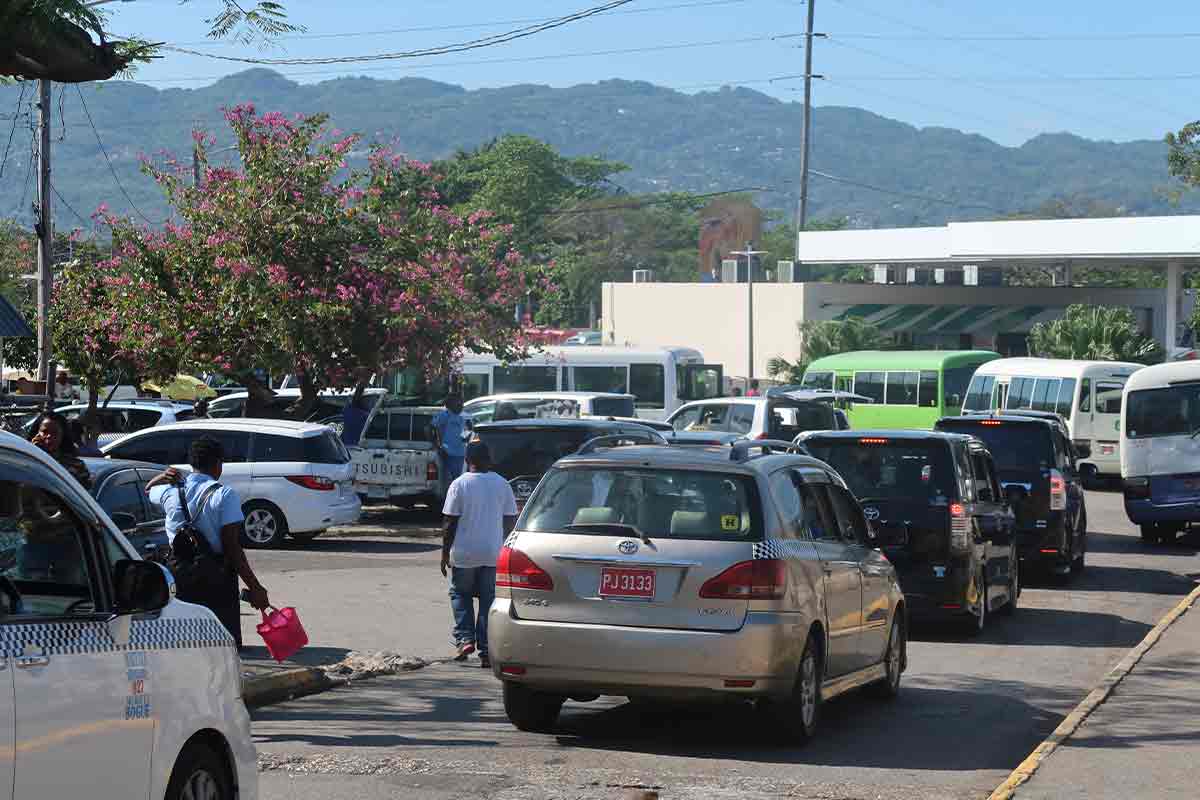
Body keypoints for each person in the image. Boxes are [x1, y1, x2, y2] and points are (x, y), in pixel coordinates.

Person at [145, 437, 269, 647]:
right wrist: (255, 587)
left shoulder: (169, 490)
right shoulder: (224, 494)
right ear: (218, 463)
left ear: (192, 463)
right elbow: (232, 548)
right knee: (221, 645)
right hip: (217, 578)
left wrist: (162, 477)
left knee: (185, 642)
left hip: (180, 574)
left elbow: (149, 490)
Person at [440, 441, 517, 668]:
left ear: (466, 460)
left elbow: (449, 522)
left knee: (459, 594)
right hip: (493, 553)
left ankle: (464, 639)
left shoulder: (459, 484)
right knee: (488, 601)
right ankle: (485, 651)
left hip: (464, 553)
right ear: (489, 460)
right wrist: (502, 544)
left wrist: (445, 553)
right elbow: (511, 518)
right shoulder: (502, 484)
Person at [29, 411, 91, 490]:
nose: (49, 436)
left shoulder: (76, 465)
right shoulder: (27, 460)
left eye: (54, 433)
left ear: (62, 435)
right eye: (44, 432)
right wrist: (33, 452)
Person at [431, 394, 467, 486]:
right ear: (450, 404)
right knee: (448, 482)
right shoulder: (444, 415)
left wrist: (467, 434)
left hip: (460, 454)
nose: (461, 406)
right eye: (458, 403)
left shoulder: (462, 417)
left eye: (462, 403)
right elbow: (430, 429)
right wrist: (437, 446)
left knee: (458, 481)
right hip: (447, 454)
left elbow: (463, 435)